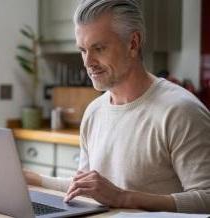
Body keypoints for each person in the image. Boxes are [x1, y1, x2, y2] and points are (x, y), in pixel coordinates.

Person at [25, 0, 210, 213]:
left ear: (133, 43)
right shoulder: (94, 111)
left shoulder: (180, 111)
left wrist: (124, 198)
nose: (87, 62)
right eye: (83, 50)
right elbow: (86, 188)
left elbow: (206, 198)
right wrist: (34, 179)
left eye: (99, 48)